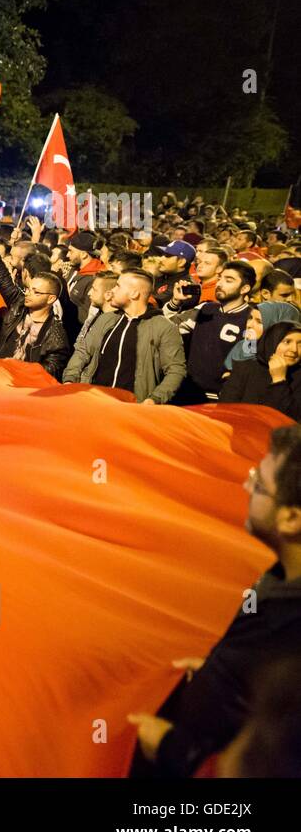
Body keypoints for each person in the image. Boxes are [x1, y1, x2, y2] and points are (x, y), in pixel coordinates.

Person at [128, 425, 301, 777]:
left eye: (259, 485)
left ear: (291, 518)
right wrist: (215, 672)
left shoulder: (289, 628)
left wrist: (171, 749)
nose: (246, 487)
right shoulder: (279, 583)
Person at [62, 270, 187, 404]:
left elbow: (176, 370)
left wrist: (154, 399)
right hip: (93, 402)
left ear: (134, 294)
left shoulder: (163, 327)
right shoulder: (105, 319)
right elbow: (83, 352)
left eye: (118, 286)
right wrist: (70, 379)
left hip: (132, 408)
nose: (112, 290)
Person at [0, 232, 71, 380]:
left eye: (36, 292)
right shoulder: (18, 305)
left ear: (51, 298)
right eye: (28, 289)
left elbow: (50, 371)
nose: (28, 294)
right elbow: (2, 277)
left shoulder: (56, 335)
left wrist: (19, 368)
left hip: (23, 389)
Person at [164, 260, 256, 404]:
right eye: (219, 278)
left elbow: (249, 359)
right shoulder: (205, 308)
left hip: (221, 397)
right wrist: (175, 302)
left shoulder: (252, 318)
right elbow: (165, 327)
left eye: (228, 280)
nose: (220, 283)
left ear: (244, 288)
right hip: (187, 391)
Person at [218, 322, 301, 417]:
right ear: (272, 342)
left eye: (300, 344)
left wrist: (279, 380)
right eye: (287, 342)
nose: (294, 349)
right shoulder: (245, 368)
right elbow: (224, 411)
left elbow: (290, 420)